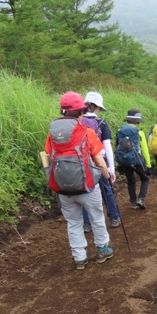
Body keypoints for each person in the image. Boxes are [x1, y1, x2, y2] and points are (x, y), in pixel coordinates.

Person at [45, 92, 113, 270]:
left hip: (63, 189)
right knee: (97, 217)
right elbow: (99, 161)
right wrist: (108, 175)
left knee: (74, 222)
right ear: (82, 111)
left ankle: (79, 258)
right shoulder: (87, 132)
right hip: (87, 187)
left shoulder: (53, 133)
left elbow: (47, 157)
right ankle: (102, 250)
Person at [80, 91, 121, 230]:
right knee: (107, 189)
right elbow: (108, 147)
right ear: (97, 107)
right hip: (99, 161)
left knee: (85, 192)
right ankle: (114, 217)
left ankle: (87, 224)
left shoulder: (77, 122)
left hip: (83, 163)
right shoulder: (101, 123)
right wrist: (111, 169)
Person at [115, 109, 152, 209]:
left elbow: (117, 147)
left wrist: (118, 162)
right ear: (138, 121)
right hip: (136, 160)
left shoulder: (120, 131)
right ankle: (141, 199)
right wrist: (148, 165)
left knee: (130, 180)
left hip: (124, 160)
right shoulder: (139, 133)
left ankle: (133, 202)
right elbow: (144, 149)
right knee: (145, 178)